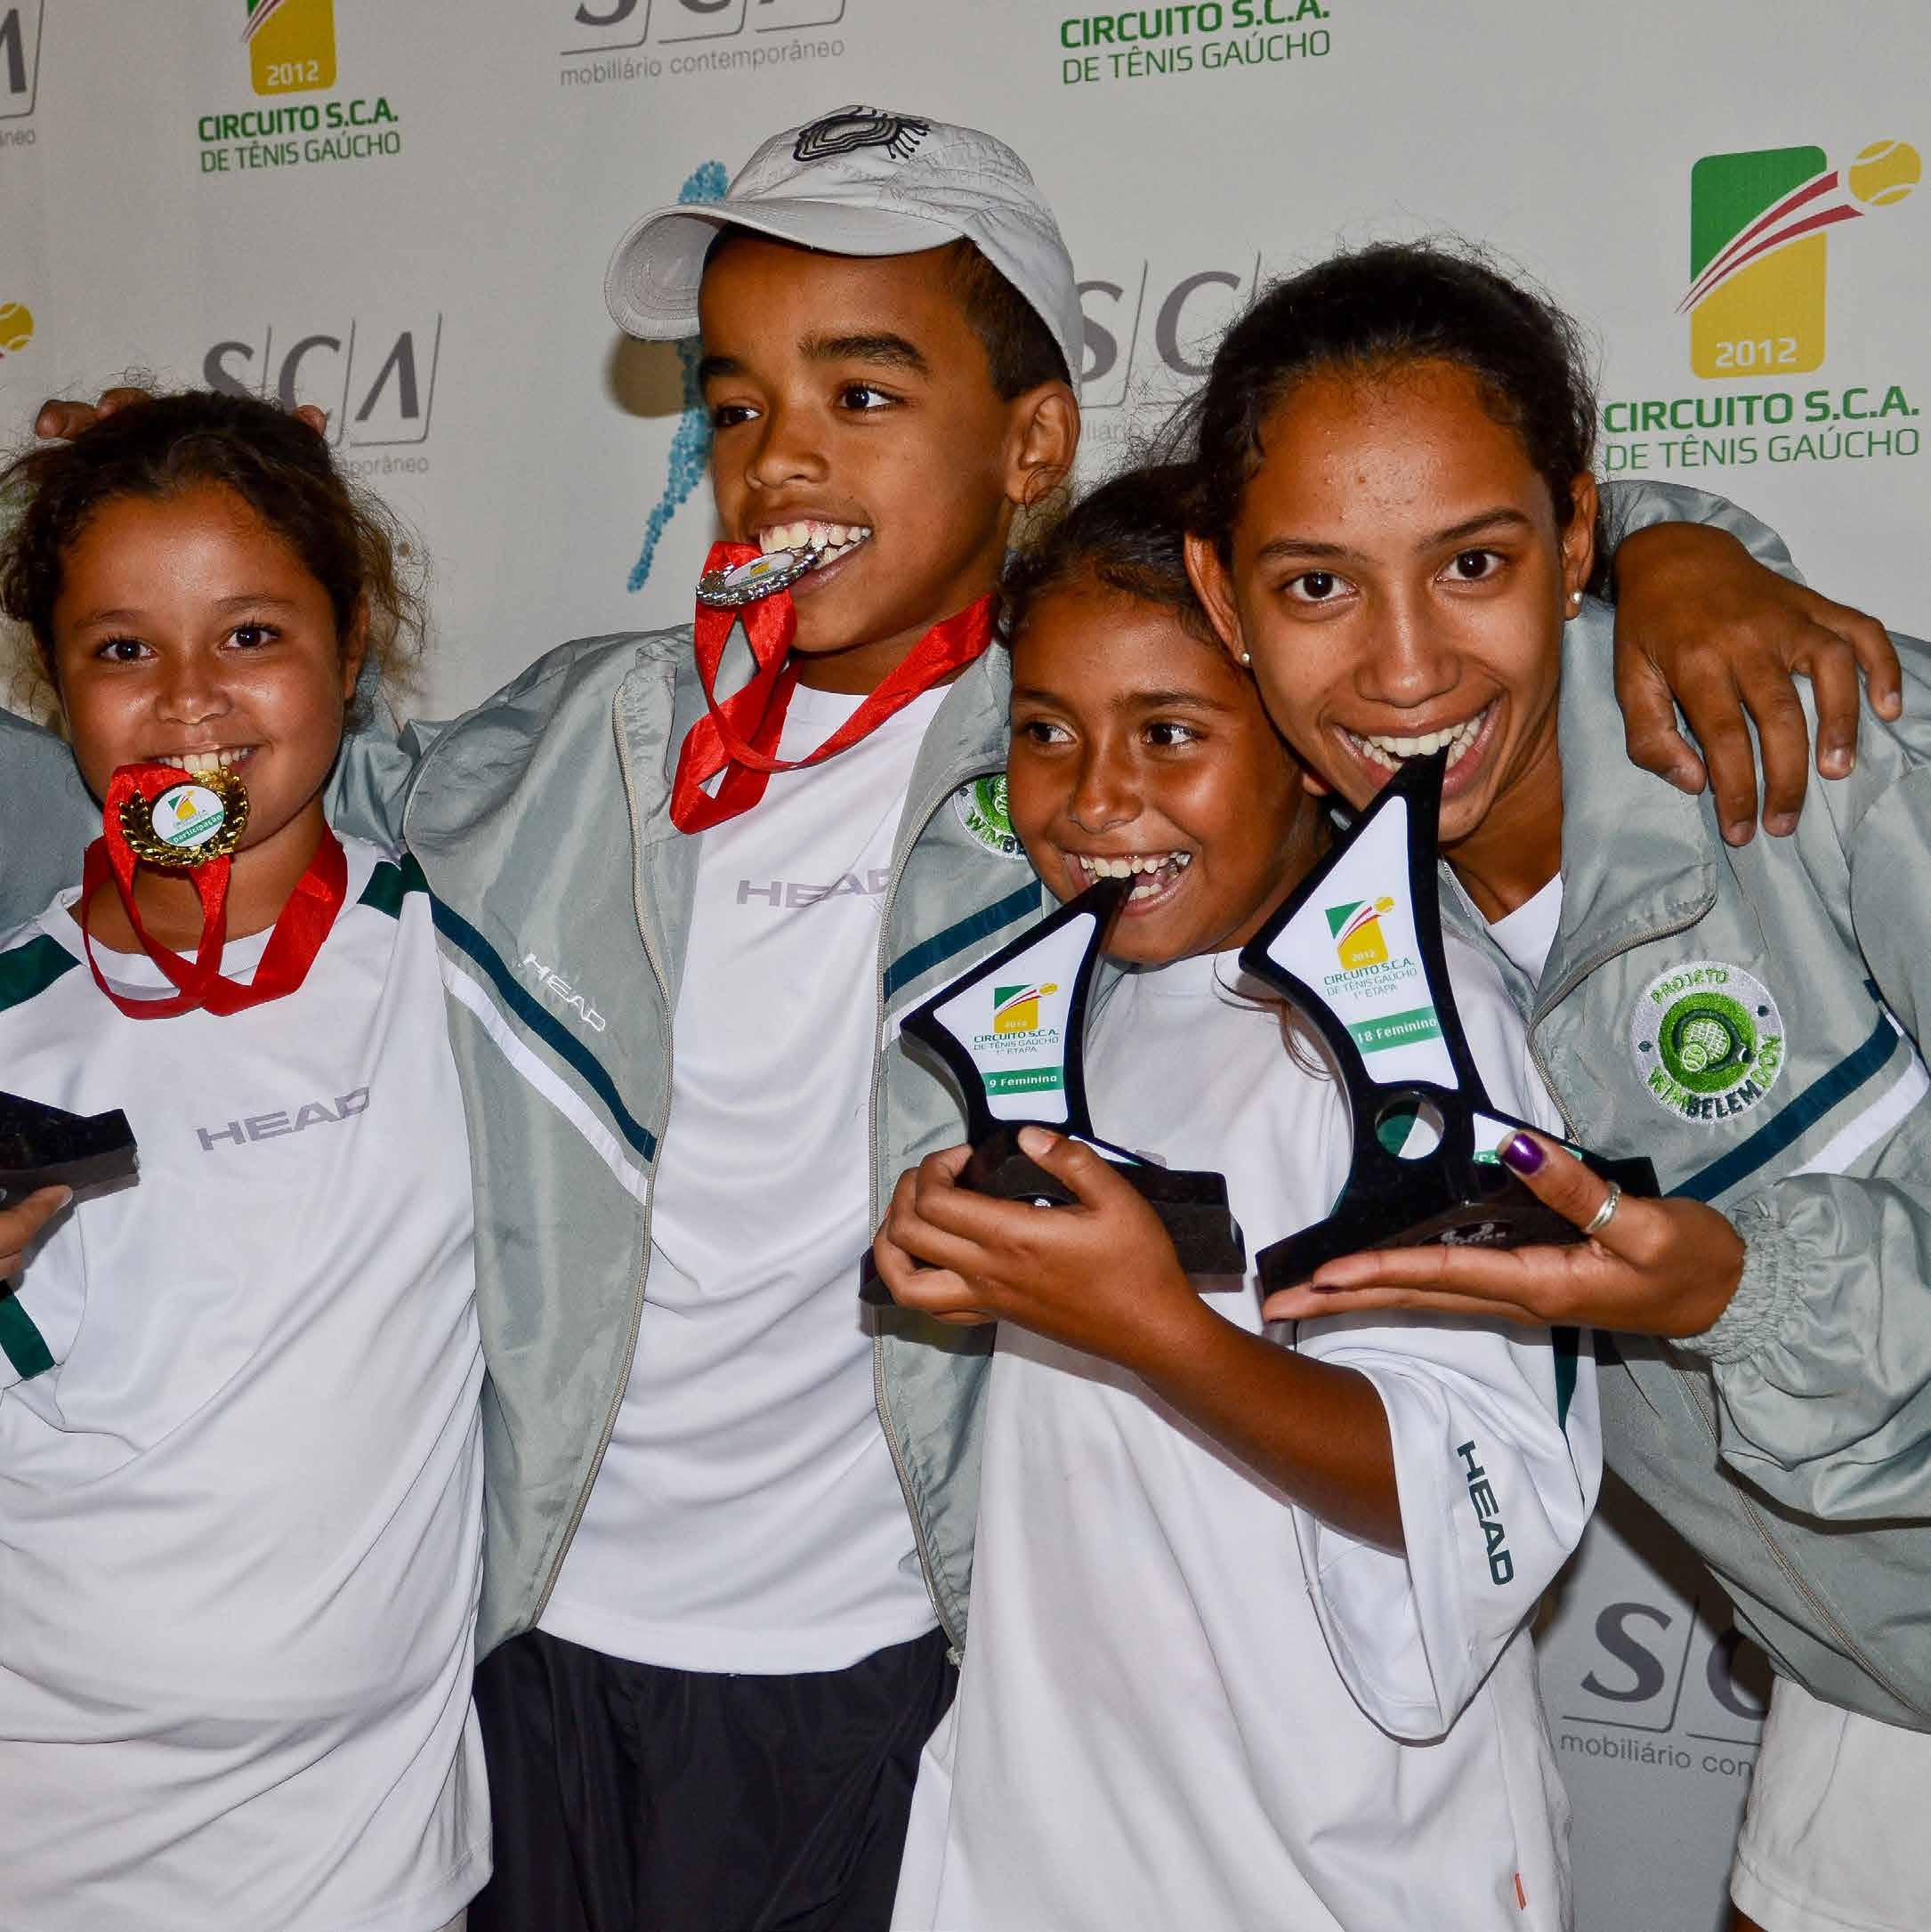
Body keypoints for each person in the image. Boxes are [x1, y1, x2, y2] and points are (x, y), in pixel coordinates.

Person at [6, 107, 1902, 1928]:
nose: (782, 459)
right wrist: (178, 540)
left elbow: (1363, 588)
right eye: (734, 406)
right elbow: (249, 781)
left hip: (889, 1677)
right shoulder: (573, 752)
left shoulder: (1096, 757)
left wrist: (1670, 542)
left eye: (860, 394)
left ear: (1030, 443)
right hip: (542, 1660)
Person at [1182, 239, 1931, 1932]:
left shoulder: (1827, 751)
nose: (1402, 667)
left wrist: (1747, 1294)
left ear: (1571, 541)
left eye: (1472, 564)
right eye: (1315, 587)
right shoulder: (1327, 942)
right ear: (1224, 602)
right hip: (1872, 1685)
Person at [877, 465, 1596, 1929]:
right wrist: (958, 1241)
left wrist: (1155, 1329)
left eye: (1167, 734)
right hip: (1052, 1837)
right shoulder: (1076, 999)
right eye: (1044, 731)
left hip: (1330, 1862)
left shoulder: (1408, 1029)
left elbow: (1474, 1486)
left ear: (1300, 745)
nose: (1094, 798)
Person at [0, 392, 487, 1932]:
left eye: (253, 634)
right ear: (52, 682)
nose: (190, 701)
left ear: (355, 648)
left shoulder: (476, 968)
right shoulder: (9, 1018)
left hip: (363, 1852)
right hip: (39, 1832)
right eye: (121, 648)